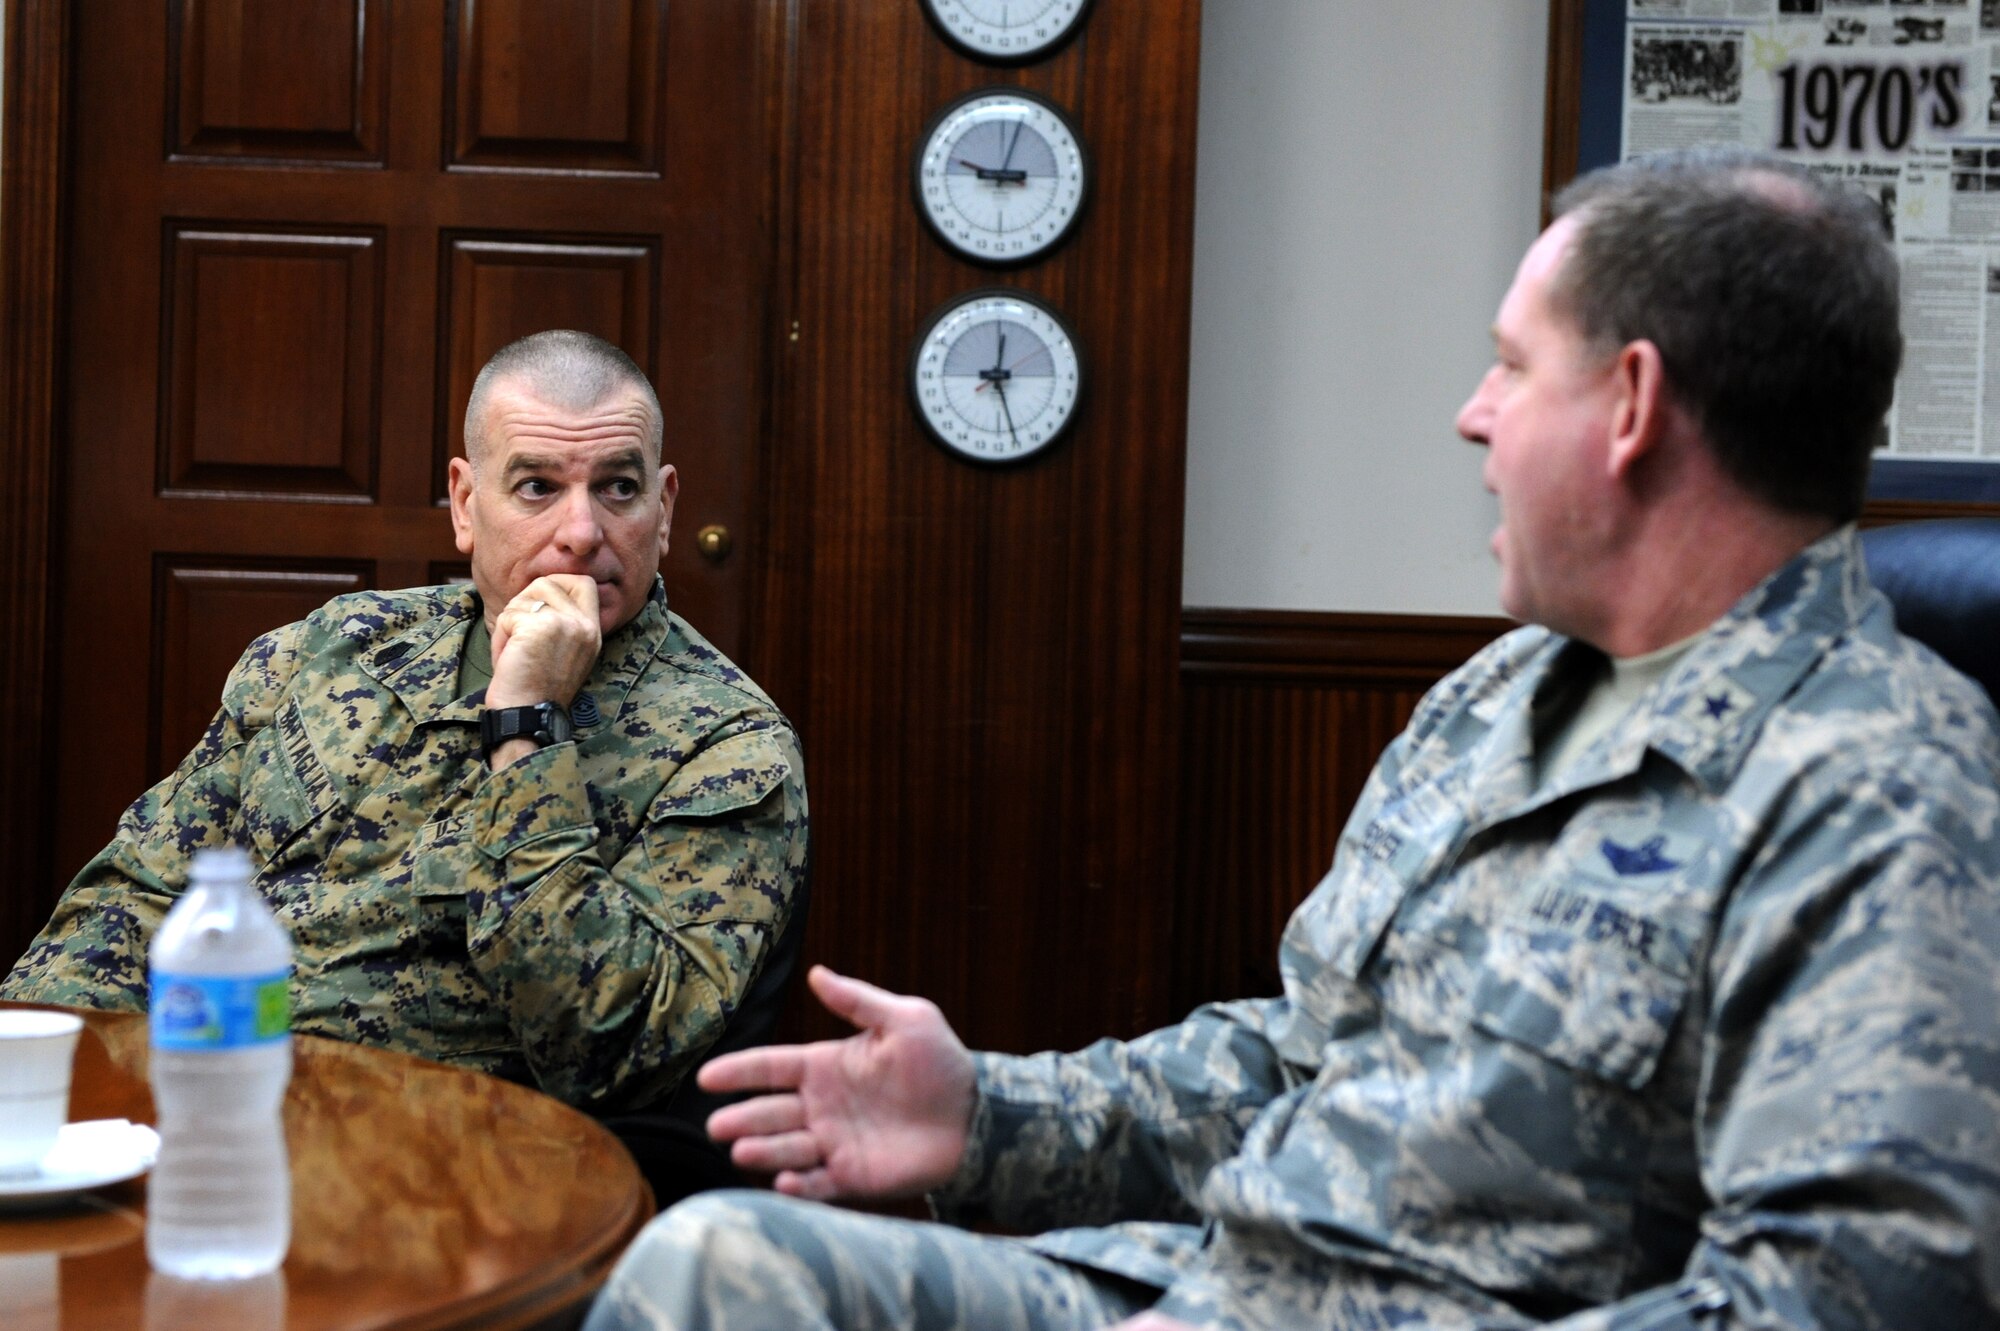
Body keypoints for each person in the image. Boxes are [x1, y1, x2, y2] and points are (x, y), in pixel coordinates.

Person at [584, 150, 2000, 1329]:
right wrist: (991, 1112)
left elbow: (1849, 1296)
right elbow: (1301, 1058)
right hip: (1204, 1284)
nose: (1474, 412)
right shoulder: (1502, 695)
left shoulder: (1878, 784)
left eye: (1513, 364)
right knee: (724, 1265)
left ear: (1628, 405)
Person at [3, 331, 809, 1147]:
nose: (581, 531)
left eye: (618, 488)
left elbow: (609, 1047)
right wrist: (40, 1097)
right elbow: (134, 896)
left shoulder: (730, 746)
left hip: (452, 1180)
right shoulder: (334, 646)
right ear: (465, 504)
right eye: (536, 486)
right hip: (203, 1126)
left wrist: (526, 725)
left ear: (663, 509)